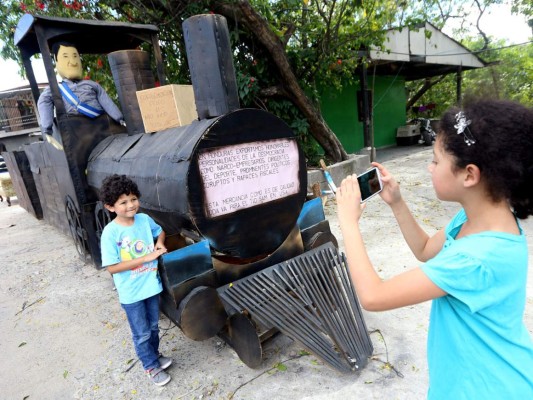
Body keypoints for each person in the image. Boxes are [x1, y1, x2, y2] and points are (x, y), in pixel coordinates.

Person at [336, 99, 533, 399]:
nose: (429, 167)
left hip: (486, 388)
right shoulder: (477, 217)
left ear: (469, 175)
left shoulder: (475, 259)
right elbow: (426, 249)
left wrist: (348, 223)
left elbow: (373, 296)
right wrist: (397, 202)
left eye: (436, 160)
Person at [100, 174, 172, 386]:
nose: (131, 205)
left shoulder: (144, 220)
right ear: (110, 207)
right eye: (123, 202)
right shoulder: (110, 233)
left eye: (133, 199)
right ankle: (150, 366)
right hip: (131, 293)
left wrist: (159, 244)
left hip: (151, 286)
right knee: (141, 333)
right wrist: (145, 257)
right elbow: (112, 268)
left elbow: (161, 232)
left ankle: (155, 355)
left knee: (153, 327)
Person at [37, 41, 125, 135]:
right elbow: (44, 101)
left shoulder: (92, 85)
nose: (73, 62)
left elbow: (106, 101)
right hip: (77, 131)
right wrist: (47, 127)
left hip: (102, 125)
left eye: (75, 56)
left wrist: (119, 118)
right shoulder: (55, 89)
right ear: (57, 61)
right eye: (65, 56)